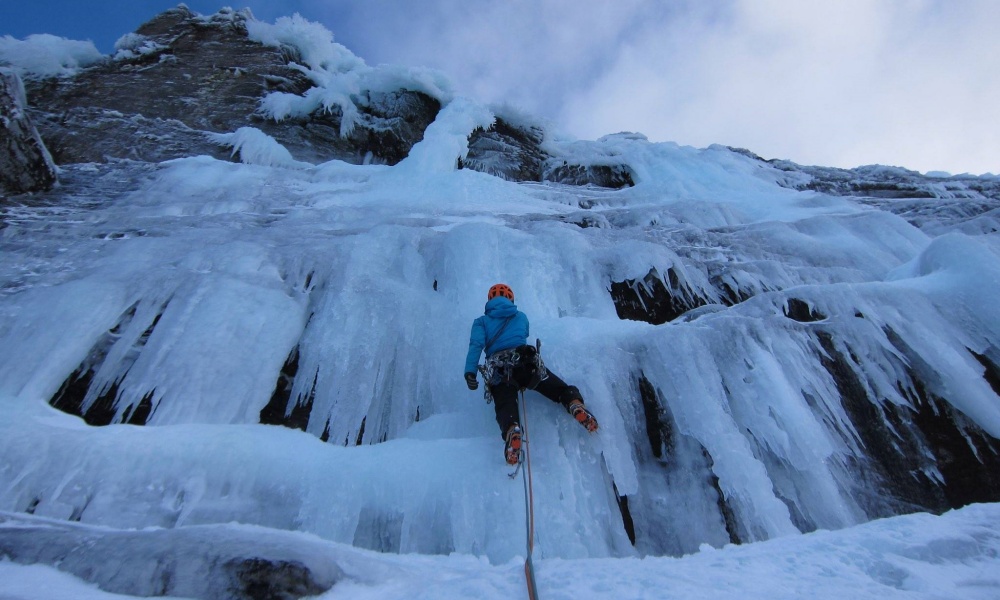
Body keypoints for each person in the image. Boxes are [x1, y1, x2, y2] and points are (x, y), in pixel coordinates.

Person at [464, 283, 598, 465]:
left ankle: (512, 430)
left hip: (501, 371)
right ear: (511, 299)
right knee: (557, 388)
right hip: (527, 364)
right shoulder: (520, 317)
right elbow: (524, 332)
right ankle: (574, 403)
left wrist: (470, 372)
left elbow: (476, 345)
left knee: (505, 402)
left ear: (490, 300)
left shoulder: (481, 322)